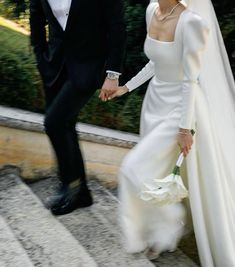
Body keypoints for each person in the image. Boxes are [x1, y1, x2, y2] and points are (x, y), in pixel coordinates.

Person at [106, 0, 235, 266]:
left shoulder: (192, 23)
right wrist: (126, 87)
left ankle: (169, 223)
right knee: (156, 173)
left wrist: (185, 128)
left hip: (180, 110)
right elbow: (155, 63)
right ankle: (161, 234)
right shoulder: (152, 10)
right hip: (154, 101)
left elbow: (191, 79)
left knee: (133, 169)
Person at [29, 0, 126, 215]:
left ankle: (69, 185)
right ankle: (82, 194)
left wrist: (112, 74)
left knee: (53, 122)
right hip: (54, 67)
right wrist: (41, 60)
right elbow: (36, 22)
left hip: (89, 67)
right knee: (65, 125)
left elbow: (116, 26)